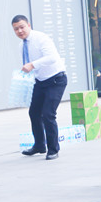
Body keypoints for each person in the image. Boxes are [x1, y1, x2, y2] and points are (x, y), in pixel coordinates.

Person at [12, 15, 67, 160]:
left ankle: (53, 149)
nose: (20, 31)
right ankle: (39, 145)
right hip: (40, 81)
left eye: (22, 27)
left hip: (56, 79)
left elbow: (52, 57)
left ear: (29, 25)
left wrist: (32, 65)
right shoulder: (21, 46)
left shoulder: (41, 38)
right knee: (34, 113)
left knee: (48, 114)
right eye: (16, 29)